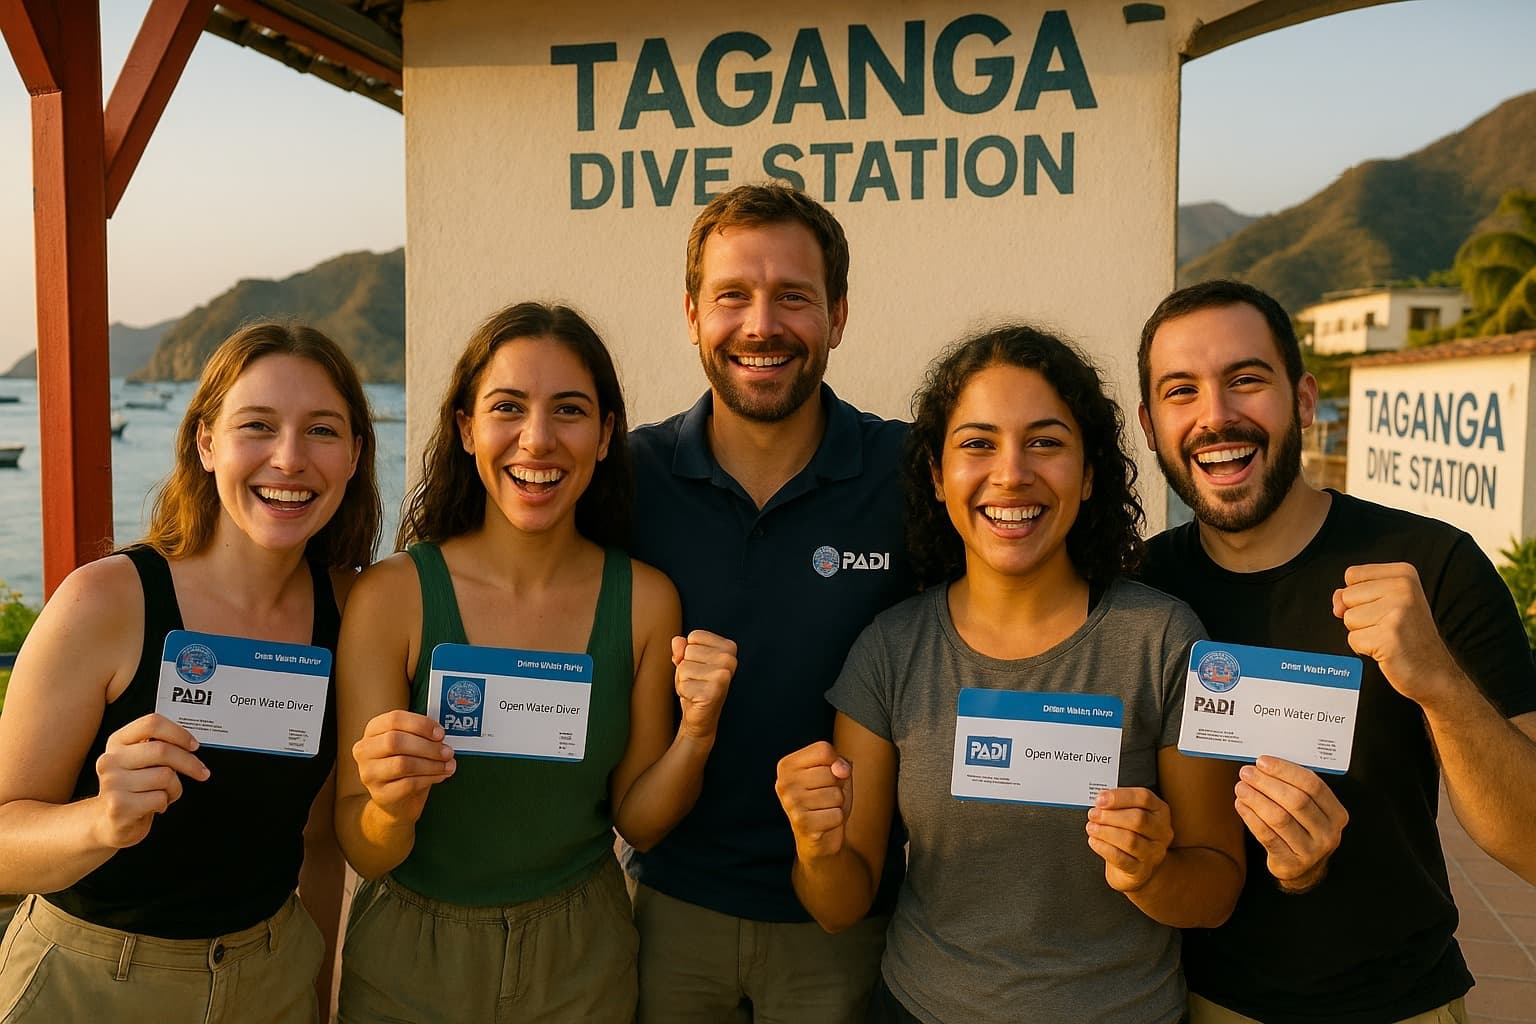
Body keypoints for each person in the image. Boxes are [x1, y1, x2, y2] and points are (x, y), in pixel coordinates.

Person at [775, 325, 1245, 1023]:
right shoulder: (891, 649)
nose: (1012, 472)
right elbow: (841, 905)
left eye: (1046, 442)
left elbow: (1216, 889)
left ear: (1089, 475)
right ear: (937, 475)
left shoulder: (1162, 639)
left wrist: (1152, 875)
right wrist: (817, 848)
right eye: (978, 443)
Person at [1136, 279, 1536, 1024]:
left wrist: (1440, 685)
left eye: (1246, 380)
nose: (1216, 416)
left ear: (1305, 398)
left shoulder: (1431, 566)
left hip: (1398, 1004)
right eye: (1181, 391)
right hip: (1196, 1003)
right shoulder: (1140, 590)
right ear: (1150, 423)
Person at [333, 301, 732, 1023]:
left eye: (570, 411)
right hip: (409, 955)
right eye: (508, 408)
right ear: (466, 429)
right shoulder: (392, 596)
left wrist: (696, 733)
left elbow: (639, 824)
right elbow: (364, 848)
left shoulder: (644, 601)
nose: (538, 440)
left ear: (608, 435)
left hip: (581, 957)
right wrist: (392, 805)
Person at [0, 323, 380, 1023]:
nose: (290, 459)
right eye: (257, 426)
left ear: (356, 453)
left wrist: (318, 999)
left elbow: (322, 844)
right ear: (206, 443)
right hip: (87, 985)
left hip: (274, 979)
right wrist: (101, 822)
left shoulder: (355, 610)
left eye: (322, 431)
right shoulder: (106, 600)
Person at [621, 182, 915, 1023]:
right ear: (690, 315)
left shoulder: (907, 473)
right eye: (732, 297)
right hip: (670, 910)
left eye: (794, 296)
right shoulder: (631, 479)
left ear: (839, 314)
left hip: (845, 916)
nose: (761, 325)